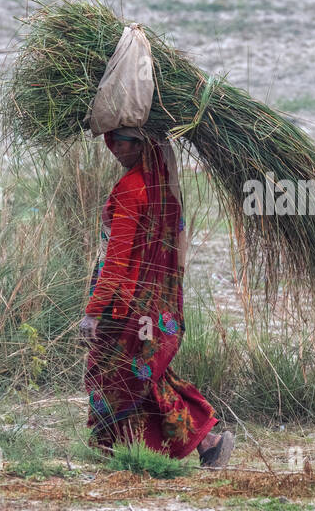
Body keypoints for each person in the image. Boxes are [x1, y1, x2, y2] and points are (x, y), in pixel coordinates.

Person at [80, 128, 234, 467]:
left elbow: (118, 258)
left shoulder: (132, 189)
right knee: (144, 374)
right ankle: (198, 444)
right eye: (112, 141)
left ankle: (203, 441)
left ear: (142, 144)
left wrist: (93, 311)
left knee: (116, 374)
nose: (115, 149)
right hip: (154, 302)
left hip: (127, 304)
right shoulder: (162, 187)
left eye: (121, 142)